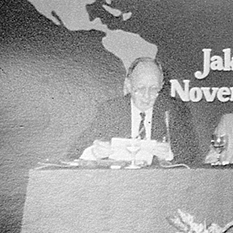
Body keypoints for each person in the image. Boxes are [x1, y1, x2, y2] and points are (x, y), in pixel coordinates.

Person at [68, 57, 198, 164]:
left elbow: (191, 157)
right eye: (140, 89)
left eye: (154, 89)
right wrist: (94, 153)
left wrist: (169, 155)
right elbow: (73, 154)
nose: (147, 96)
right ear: (129, 85)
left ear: (162, 85)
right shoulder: (110, 110)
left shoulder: (175, 110)